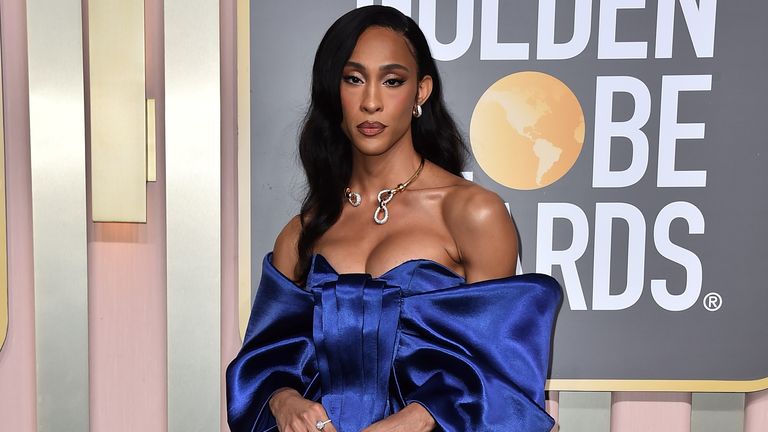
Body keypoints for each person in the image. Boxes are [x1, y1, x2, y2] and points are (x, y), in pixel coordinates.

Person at [227, 6, 560, 432]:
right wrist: (285, 403)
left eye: (392, 81)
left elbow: (500, 372)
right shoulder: (303, 232)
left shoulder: (472, 213)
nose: (370, 102)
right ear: (335, 91)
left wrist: (415, 421)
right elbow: (262, 361)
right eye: (353, 79)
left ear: (420, 91)